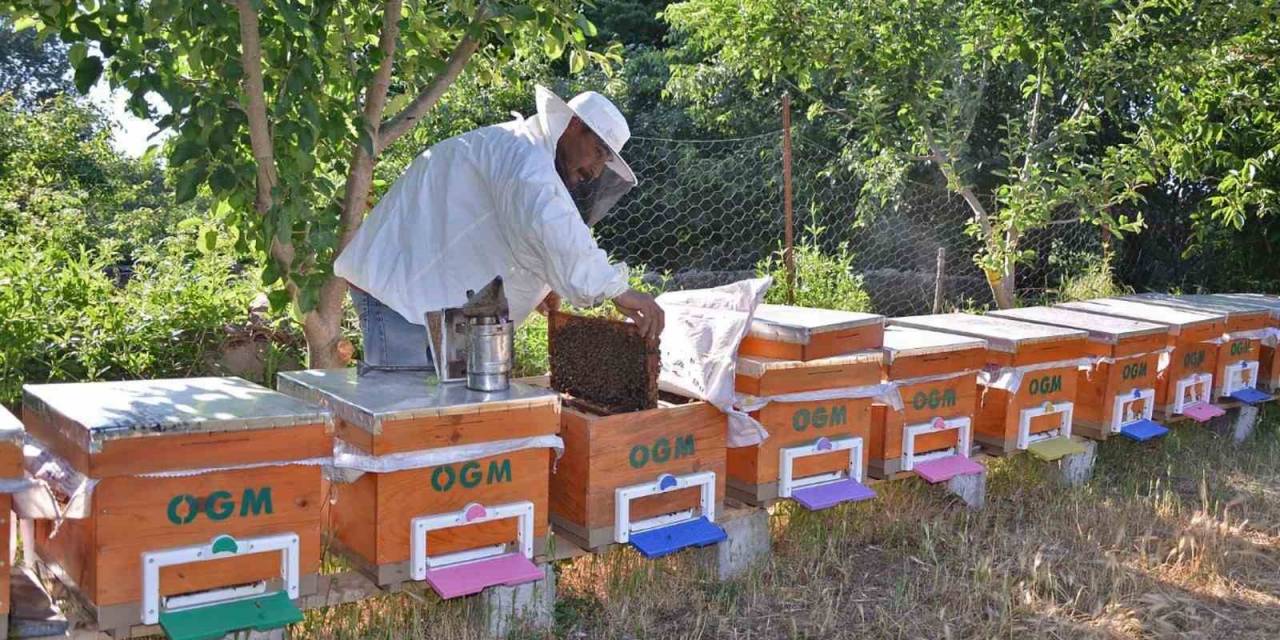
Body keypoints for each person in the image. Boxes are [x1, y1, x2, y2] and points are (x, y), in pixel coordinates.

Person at [335, 86, 664, 370]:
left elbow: (510, 230)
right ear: (574, 124)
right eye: (598, 152)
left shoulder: (523, 154)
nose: (595, 170)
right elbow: (550, 220)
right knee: (404, 416)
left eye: (604, 161)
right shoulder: (524, 159)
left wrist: (544, 283)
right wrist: (615, 290)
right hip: (400, 293)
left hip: (433, 297)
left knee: (444, 416)